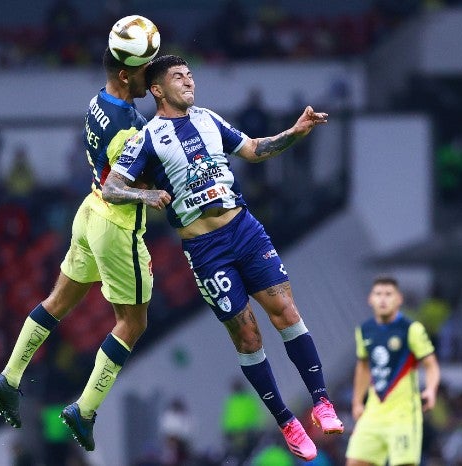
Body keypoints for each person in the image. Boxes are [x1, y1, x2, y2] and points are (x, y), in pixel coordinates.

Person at [102, 54, 343, 462]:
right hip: (206, 249)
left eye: (190, 74)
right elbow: (111, 188)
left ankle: (321, 402)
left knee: (285, 310)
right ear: (158, 89)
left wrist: (296, 131)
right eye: (178, 76)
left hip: (244, 230)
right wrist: (146, 194)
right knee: (247, 335)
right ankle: (286, 421)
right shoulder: (147, 137)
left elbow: (252, 149)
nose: (188, 80)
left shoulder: (209, 119)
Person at [0, 44, 170, 452]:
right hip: (117, 223)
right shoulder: (132, 126)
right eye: (144, 71)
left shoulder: (98, 100)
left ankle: (9, 377)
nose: (150, 78)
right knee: (133, 323)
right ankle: (84, 410)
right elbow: (118, 187)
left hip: (88, 213)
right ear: (125, 74)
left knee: (59, 300)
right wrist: (150, 193)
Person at [345, 275, 441, 466]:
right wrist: (357, 402)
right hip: (373, 413)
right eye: (378, 294)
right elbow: (363, 367)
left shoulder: (412, 329)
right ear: (370, 299)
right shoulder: (364, 330)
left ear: (399, 299)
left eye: (388, 294)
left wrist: (430, 390)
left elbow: (431, 365)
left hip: (403, 415)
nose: (382, 299)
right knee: (354, 462)